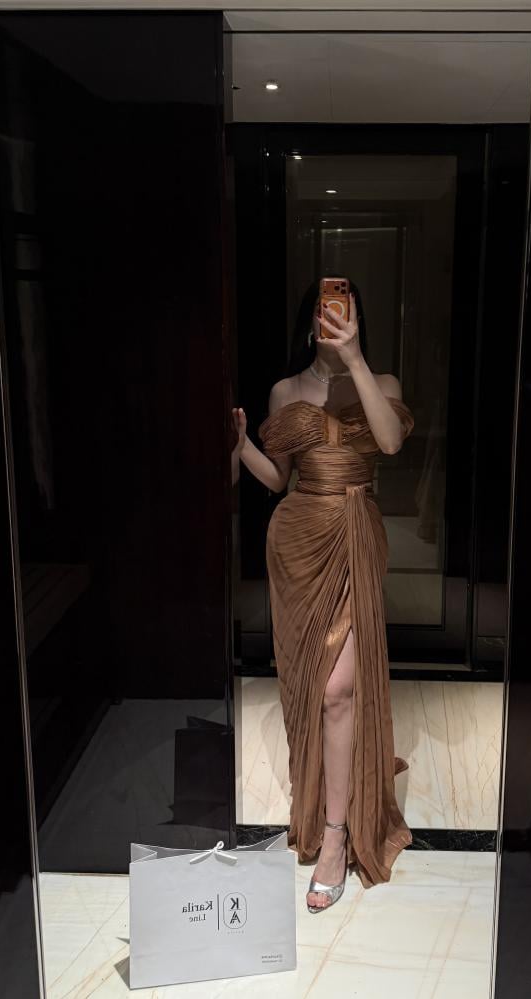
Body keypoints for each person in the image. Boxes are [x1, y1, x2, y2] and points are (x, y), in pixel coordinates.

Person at [231, 277, 414, 912]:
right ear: (310, 319)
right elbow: (278, 479)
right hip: (297, 541)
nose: (333, 316)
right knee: (312, 685)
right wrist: (240, 448)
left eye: (345, 307)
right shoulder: (285, 391)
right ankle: (321, 788)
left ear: (357, 317)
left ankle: (334, 835)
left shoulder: (380, 382)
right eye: (324, 307)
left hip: (355, 533)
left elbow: (389, 442)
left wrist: (355, 358)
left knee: (339, 689)